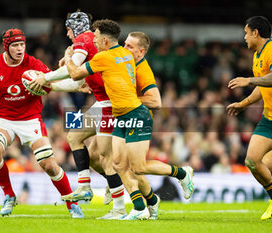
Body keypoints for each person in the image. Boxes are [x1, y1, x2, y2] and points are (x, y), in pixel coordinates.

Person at [62, 19, 194, 220]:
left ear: (141, 52)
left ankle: (177, 177)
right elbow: (106, 76)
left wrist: (67, 59)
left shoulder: (140, 67)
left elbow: (156, 101)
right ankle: (131, 198)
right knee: (107, 157)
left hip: (133, 114)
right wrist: (91, 85)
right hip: (113, 110)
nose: (125, 48)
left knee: (133, 167)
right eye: (125, 44)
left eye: (130, 46)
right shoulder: (121, 56)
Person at [0, 28, 84, 218]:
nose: (20, 49)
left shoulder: (34, 64)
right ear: (6, 47)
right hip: (3, 119)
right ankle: (9, 195)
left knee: (50, 165)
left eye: (22, 44)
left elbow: (51, 82)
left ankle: (71, 202)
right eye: (15, 45)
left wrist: (75, 86)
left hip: (31, 119)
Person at [29, 10, 128, 219]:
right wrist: (51, 86)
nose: (67, 34)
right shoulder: (91, 42)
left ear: (75, 27)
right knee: (74, 136)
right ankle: (85, 186)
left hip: (110, 104)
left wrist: (45, 79)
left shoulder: (84, 39)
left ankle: (120, 207)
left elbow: (69, 71)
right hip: (104, 103)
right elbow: (76, 81)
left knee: (105, 158)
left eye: (68, 29)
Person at [226, 16, 272, 220]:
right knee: (253, 161)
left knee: (267, 164)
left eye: (246, 33)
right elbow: (263, 86)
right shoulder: (257, 55)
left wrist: (249, 80)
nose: (244, 37)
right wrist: (243, 104)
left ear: (255, 32)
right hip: (269, 119)